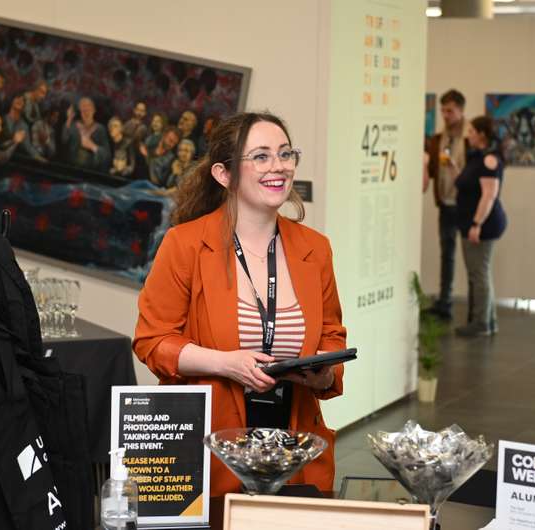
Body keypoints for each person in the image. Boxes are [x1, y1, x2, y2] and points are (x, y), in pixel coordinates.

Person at [133, 111, 346, 497]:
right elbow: (153, 342)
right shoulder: (185, 245)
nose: (278, 166)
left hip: (296, 454)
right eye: (261, 156)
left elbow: (331, 335)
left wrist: (325, 375)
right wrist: (226, 363)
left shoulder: (315, 249)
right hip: (212, 457)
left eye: (285, 154)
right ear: (224, 174)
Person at [453, 116, 507, 337]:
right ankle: (488, 320)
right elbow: (468, 184)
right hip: (471, 222)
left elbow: (489, 195)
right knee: (480, 272)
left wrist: (477, 224)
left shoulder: (489, 160)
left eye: (472, 131)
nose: (469, 135)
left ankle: (481, 322)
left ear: (482, 134)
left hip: (482, 225)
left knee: (479, 273)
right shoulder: (477, 158)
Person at [425, 89, 469, 320]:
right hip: (445, 203)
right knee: (447, 255)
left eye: (450, 110)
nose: (445, 115)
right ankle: (445, 302)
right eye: (443, 110)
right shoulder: (438, 139)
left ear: (461, 110)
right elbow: (433, 169)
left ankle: (476, 310)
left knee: (472, 258)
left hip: (466, 204)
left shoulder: (470, 138)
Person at [62, 97, 111, 173]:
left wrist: (93, 146)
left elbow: (107, 155)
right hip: (72, 169)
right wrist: (69, 119)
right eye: (83, 110)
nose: (86, 112)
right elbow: (64, 140)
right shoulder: (74, 126)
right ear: (80, 111)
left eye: (88, 109)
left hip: (91, 172)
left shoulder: (100, 129)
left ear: (94, 110)